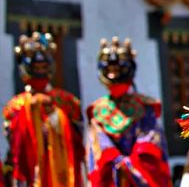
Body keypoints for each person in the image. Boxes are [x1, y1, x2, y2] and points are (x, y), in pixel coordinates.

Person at [86, 37, 171, 187]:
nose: (113, 73)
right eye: (110, 69)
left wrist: (130, 165)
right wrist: (114, 160)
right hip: (110, 175)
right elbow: (97, 143)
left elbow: (150, 138)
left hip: (139, 174)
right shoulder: (97, 110)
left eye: (118, 69)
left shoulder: (146, 106)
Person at [2, 32, 84, 187]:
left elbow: (78, 143)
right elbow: (15, 145)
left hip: (62, 172)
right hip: (30, 173)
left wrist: (55, 118)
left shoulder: (67, 102)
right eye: (35, 67)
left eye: (43, 67)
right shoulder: (15, 106)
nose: (40, 71)